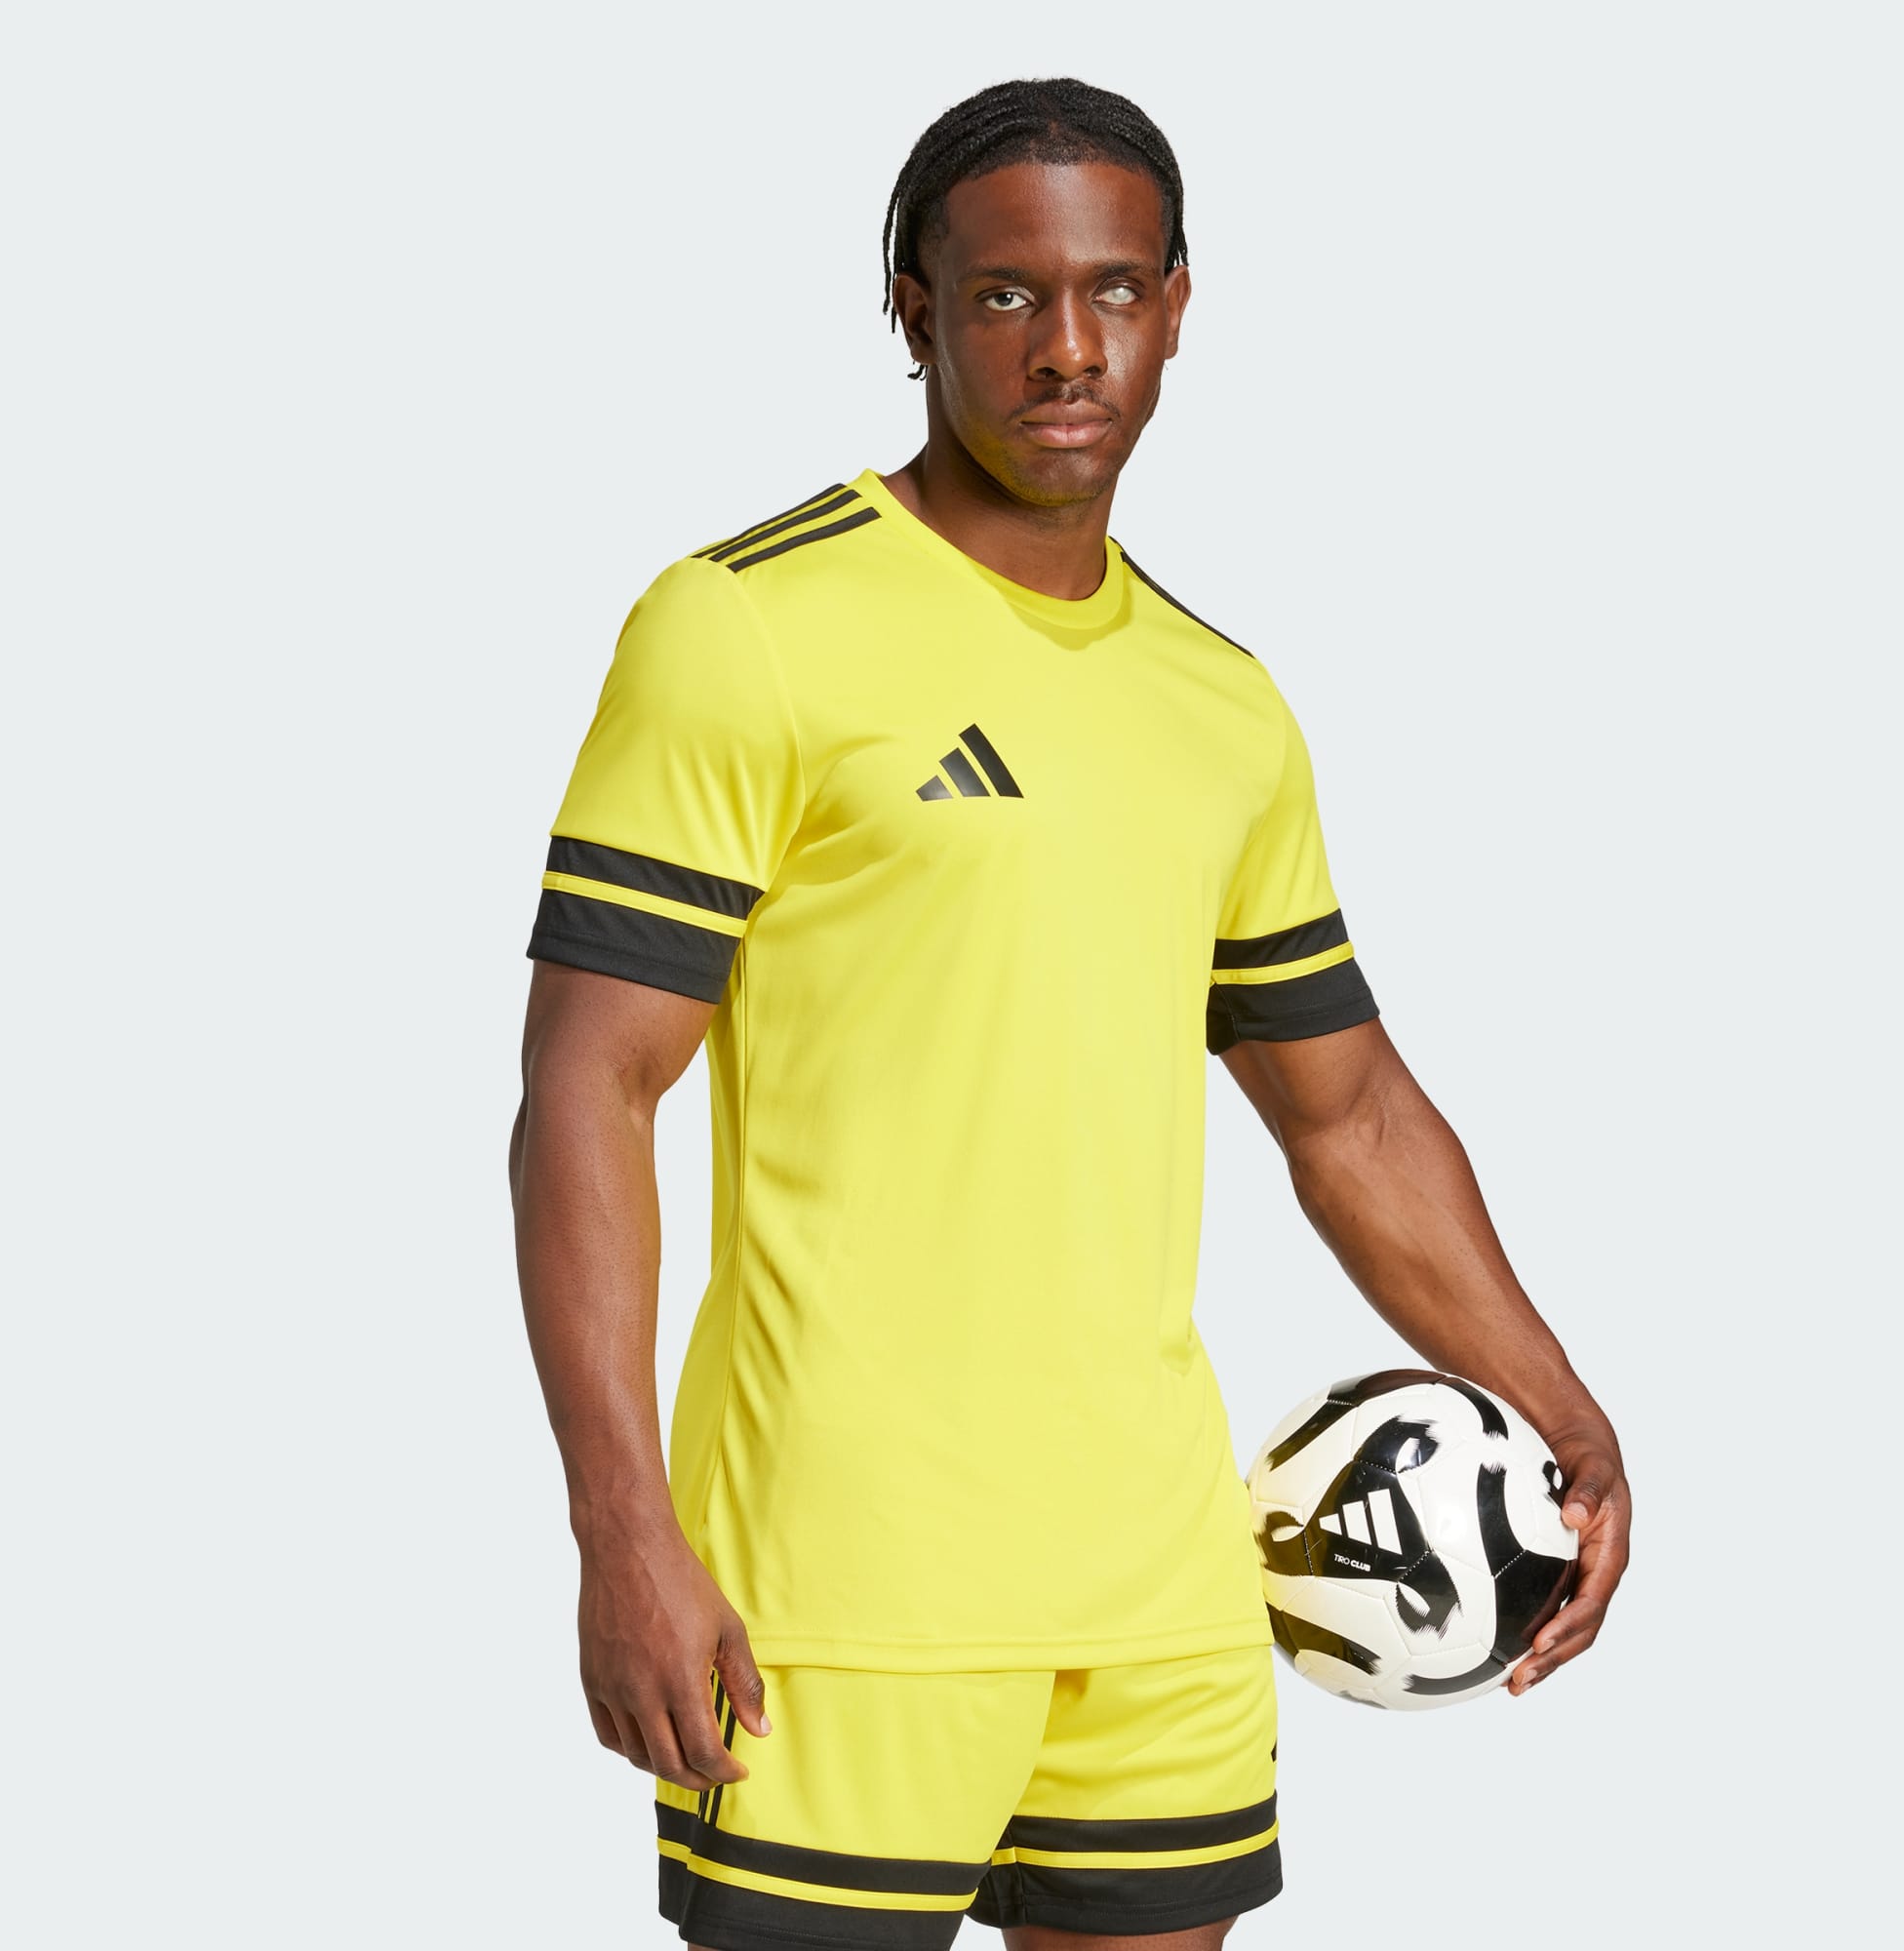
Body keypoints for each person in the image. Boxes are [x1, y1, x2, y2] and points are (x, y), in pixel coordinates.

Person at [509, 75, 1631, 1951]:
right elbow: (587, 1093)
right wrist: (620, 1526)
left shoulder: (1224, 706)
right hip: (837, 1593)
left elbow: (1346, 1112)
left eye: (1114, 289)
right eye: (1008, 294)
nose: (1067, 346)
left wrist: (1560, 1401)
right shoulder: (743, 627)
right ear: (914, 309)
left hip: (1164, 1588)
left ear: (1178, 305)